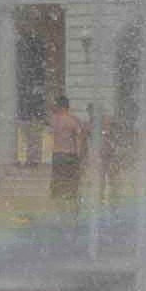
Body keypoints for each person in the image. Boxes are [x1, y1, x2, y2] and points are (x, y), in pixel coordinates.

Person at [48, 96, 86, 224]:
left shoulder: (53, 120)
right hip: (70, 155)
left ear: (59, 106)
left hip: (57, 156)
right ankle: (74, 218)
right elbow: (81, 138)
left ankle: (61, 217)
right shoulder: (72, 120)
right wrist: (82, 158)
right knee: (73, 188)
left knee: (58, 188)